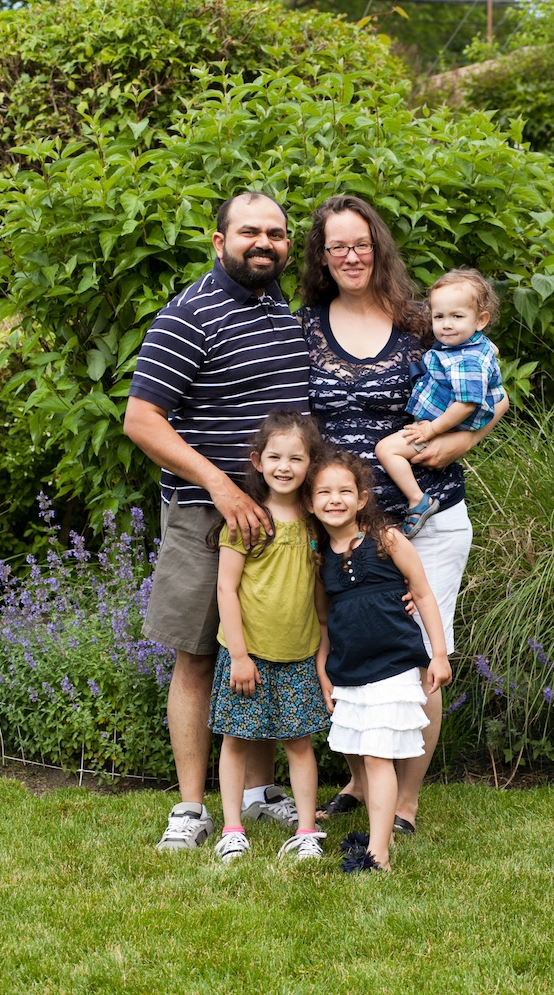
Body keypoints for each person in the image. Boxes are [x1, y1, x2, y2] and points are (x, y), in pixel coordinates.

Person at [296, 194, 509, 834]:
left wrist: (457, 442)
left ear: (378, 246)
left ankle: (407, 799)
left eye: (361, 242)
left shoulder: (422, 320)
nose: (351, 255)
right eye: (338, 246)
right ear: (322, 256)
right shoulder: (306, 324)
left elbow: (493, 397)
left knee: (417, 650)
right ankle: (363, 784)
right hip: (343, 526)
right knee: (358, 648)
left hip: (426, 518)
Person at [124, 192, 312, 850]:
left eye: (277, 234)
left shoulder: (281, 310)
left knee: (265, 650)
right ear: (218, 240)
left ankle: (258, 796)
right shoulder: (188, 317)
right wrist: (221, 484)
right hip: (208, 515)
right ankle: (189, 808)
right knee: (200, 655)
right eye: (250, 232)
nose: (265, 243)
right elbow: (141, 418)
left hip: (281, 521)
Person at [308, 449, 452, 872]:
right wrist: (323, 668)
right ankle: (376, 834)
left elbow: (422, 592)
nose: (334, 499)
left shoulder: (387, 540)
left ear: (362, 498)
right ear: (311, 502)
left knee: (377, 756)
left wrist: (439, 655)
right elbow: (322, 620)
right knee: (362, 753)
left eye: (344, 491)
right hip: (349, 670)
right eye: (323, 492)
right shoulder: (321, 561)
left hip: (394, 663)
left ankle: (379, 853)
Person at [209, 411, 330, 863]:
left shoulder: (316, 521)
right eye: (275, 456)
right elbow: (226, 588)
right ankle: (232, 828)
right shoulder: (246, 521)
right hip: (248, 655)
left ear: (310, 463)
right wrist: (239, 656)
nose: (284, 466)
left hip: (298, 655)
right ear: (258, 462)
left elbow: (320, 594)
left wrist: (322, 650)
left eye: (295, 458)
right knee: (236, 740)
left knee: (299, 744)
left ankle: (305, 831)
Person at [376, 268, 505, 539]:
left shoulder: (466, 360)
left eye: (457, 316)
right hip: (439, 426)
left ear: (481, 320)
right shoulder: (469, 346)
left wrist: (431, 431)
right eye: (439, 316)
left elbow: (467, 404)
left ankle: (418, 501)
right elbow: (488, 351)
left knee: (387, 450)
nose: (446, 324)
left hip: (442, 429)